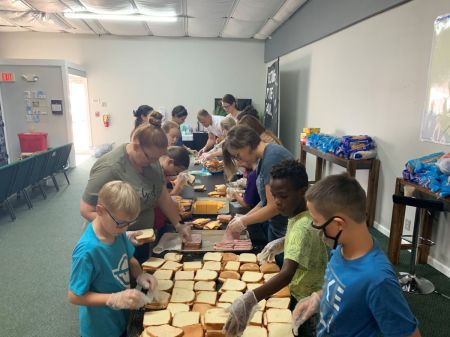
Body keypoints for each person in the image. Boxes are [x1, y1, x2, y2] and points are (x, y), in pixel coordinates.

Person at [293, 173, 421, 337]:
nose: (315, 227)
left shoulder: (378, 280)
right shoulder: (341, 247)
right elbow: (342, 287)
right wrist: (317, 298)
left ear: (339, 224)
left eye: (317, 221)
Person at [223, 160, 328, 337]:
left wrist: (251, 299)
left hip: (306, 299)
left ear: (302, 192)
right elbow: (308, 237)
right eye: (274, 196)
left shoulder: (301, 227)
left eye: (283, 196)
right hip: (314, 289)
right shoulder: (306, 213)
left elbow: (286, 274)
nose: (277, 202)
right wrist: (285, 241)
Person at [80, 124, 191, 263]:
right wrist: (122, 233)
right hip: (113, 241)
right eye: (150, 157)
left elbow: (161, 194)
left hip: (141, 237)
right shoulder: (110, 167)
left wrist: (178, 224)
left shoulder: (152, 160)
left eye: (157, 158)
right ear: (136, 145)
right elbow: (86, 210)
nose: (154, 162)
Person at [68, 181, 158, 337]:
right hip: (100, 328)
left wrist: (140, 275)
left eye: (129, 223)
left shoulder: (117, 233)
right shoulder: (87, 250)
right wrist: (113, 298)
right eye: (121, 223)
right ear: (100, 211)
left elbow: (130, 260)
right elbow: (74, 296)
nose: (124, 229)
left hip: (120, 317)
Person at [223, 125, 293, 255]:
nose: (239, 161)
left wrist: (244, 221)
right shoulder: (264, 157)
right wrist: (245, 217)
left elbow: (274, 207)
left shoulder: (272, 158)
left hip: (287, 228)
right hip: (278, 226)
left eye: (238, 156)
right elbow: (265, 201)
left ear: (247, 145)